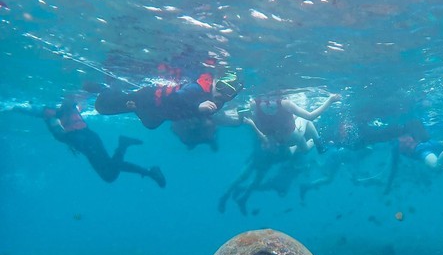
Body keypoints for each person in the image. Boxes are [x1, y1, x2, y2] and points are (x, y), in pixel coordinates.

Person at [13, 99, 166, 187]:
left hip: (86, 141)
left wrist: (16, 107)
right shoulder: (63, 111)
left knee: (109, 172)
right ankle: (130, 151)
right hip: (87, 140)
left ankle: (143, 165)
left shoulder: (57, 111)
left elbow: (40, 112)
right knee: (109, 172)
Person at [92, 71, 243, 130]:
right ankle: (102, 88)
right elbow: (172, 99)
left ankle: (119, 93)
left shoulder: (218, 100)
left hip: (156, 113)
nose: (223, 95)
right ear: (215, 82)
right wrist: (197, 108)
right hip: (147, 99)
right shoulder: (196, 89)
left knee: (151, 124)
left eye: (230, 94)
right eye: (222, 87)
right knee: (103, 107)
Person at [243, 93, 341, 154]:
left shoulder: (254, 104)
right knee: (306, 119)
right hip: (293, 137)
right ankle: (319, 144)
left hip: (278, 141)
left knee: (305, 150)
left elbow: (264, 123)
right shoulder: (285, 103)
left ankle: (313, 145)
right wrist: (330, 100)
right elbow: (311, 116)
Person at [384, 119, 443, 194]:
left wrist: (388, 185)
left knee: (436, 166)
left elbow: (394, 167)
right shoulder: (406, 130)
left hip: (422, 151)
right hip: (432, 143)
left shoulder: (394, 144)